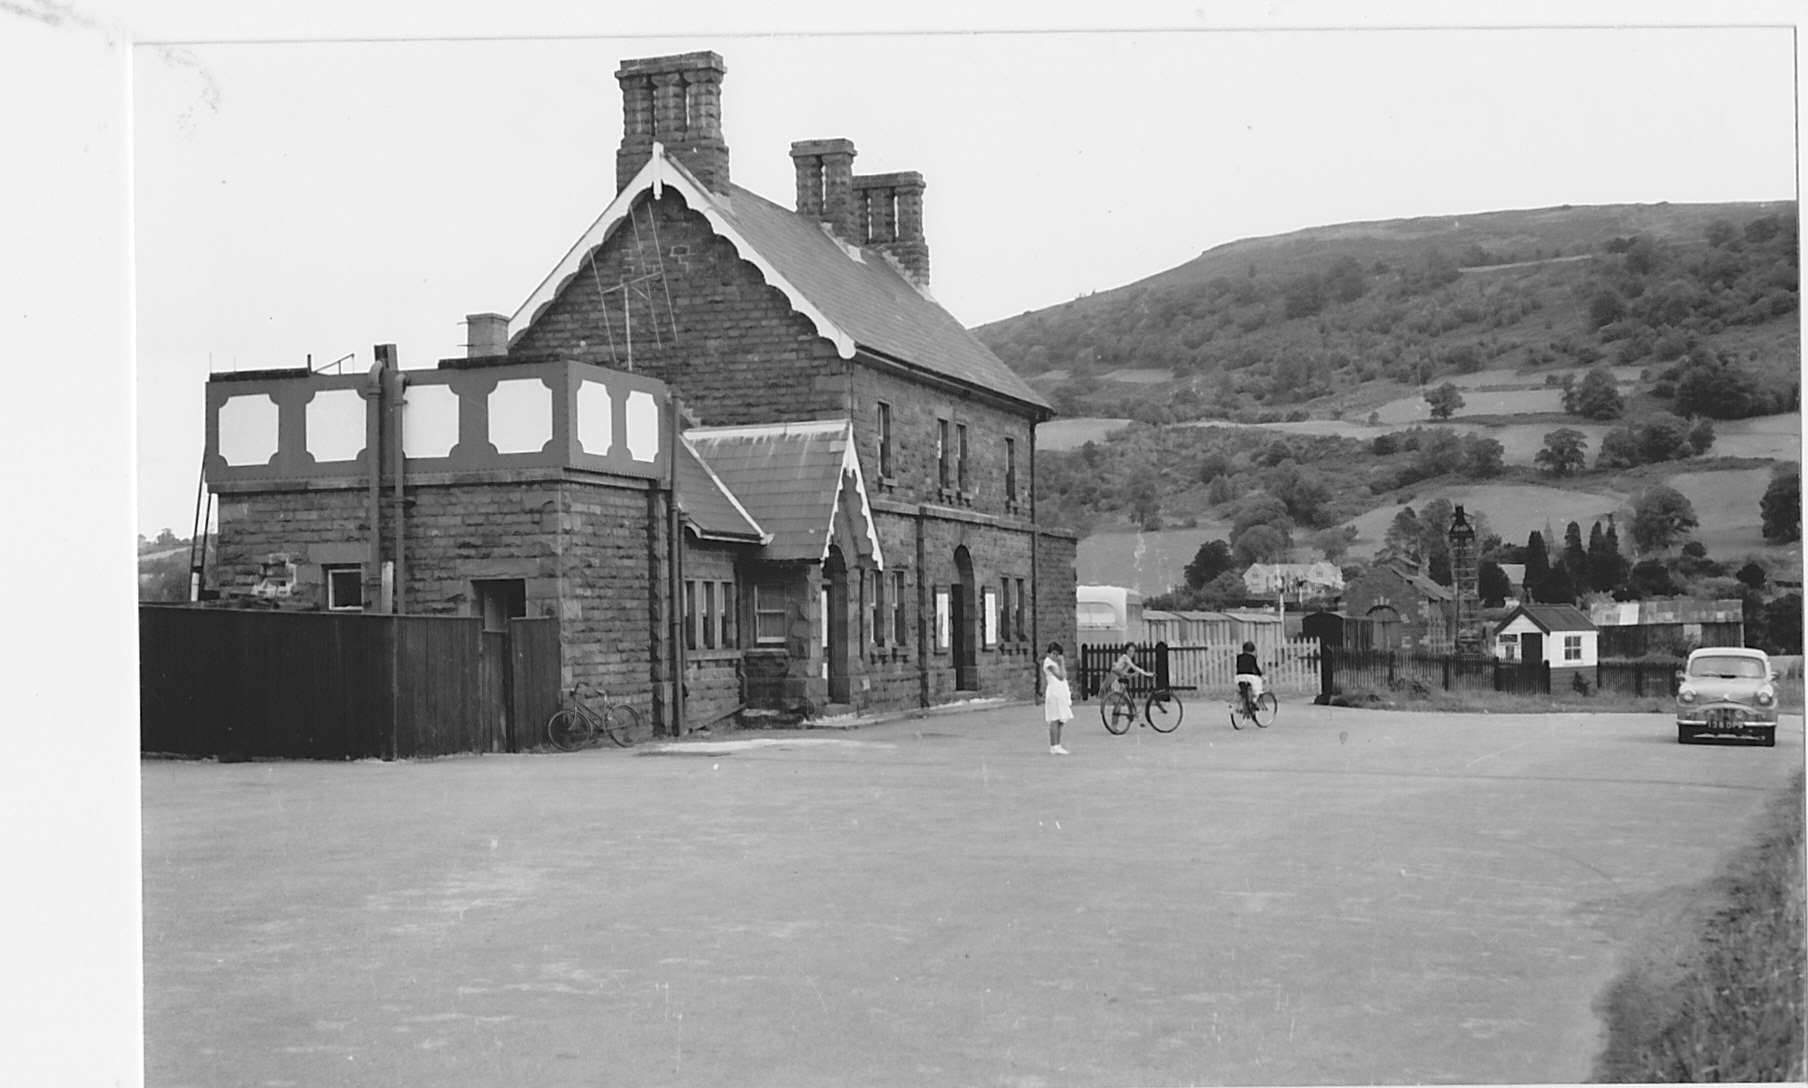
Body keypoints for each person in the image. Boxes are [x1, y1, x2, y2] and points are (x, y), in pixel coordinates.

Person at [1042, 642, 1073, 755]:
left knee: (1061, 719)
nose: (1054, 656)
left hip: (1061, 692)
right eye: (1053, 654)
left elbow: (1064, 675)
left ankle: (1058, 744)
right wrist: (1062, 663)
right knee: (1054, 719)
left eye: (1057, 654)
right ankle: (1053, 745)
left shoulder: (1056, 663)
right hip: (1054, 692)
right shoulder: (1048, 663)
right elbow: (1061, 676)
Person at [1233, 640, 1264, 712]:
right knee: (1257, 686)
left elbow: (1238, 667)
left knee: (1243, 690)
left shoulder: (1239, 657)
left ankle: (1243, 705)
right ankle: (1254, 701)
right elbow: (1255, 668)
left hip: (1239, 677)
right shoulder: (1252, 657)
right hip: (1249, 677)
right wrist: (1260, 675)